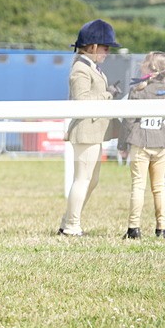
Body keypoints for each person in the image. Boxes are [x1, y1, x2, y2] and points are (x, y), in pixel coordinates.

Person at [58, 19, 121, 237]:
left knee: (92, 181)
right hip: (86, 129)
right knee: (83, 179)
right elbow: (81, 98)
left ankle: (68, 220)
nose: (107, 52)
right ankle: (71, 226)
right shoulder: (80, 68)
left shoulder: (92, 67)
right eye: (105, 48)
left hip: (95, 130)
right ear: (92, 46)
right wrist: (108, 93)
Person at [117, 51, 165, 239]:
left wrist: (122, 143)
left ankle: (133, 228)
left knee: (138, 186)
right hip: (161, 143)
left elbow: (129, 120)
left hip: (139, 142)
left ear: (149, 67)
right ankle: (161, 227)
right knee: (160, 187)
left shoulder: (138, 90)